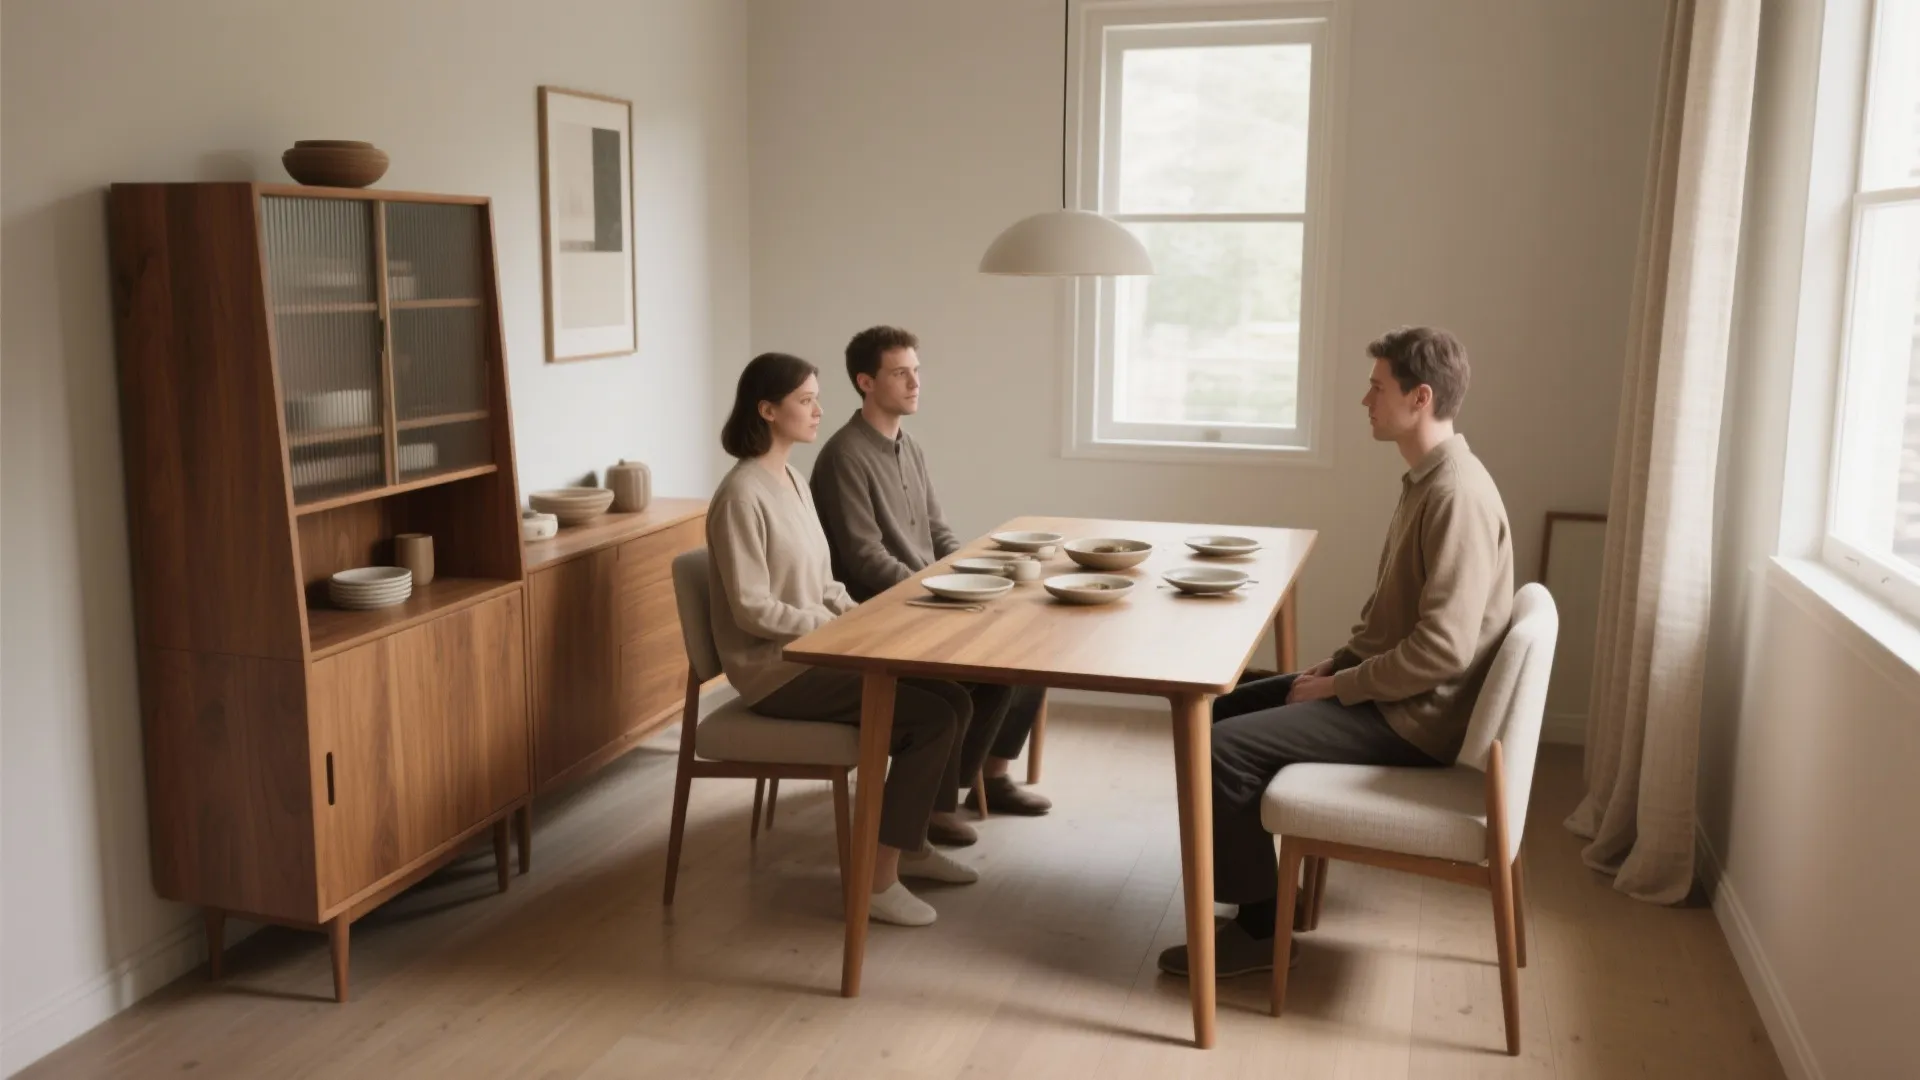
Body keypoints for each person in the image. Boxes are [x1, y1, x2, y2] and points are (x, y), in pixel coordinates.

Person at [1159, 327, 1515, 977]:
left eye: (1377, 387)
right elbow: (1396, 622)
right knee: (1213, 709)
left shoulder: (1454, 494)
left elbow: (1443, 650)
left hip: (1413, 718)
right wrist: (1340, 663)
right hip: (1395, 694)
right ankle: (1264, 902)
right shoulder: (1428, 480)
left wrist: (1339, 688)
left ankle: (1264, 937)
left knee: (1218, 748)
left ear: (1420, 398)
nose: (1364, 400)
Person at [706, 351, 979, 927]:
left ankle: (911, 848)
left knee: (952, 697)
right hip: (777, 672)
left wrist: (857, 620)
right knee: (929, 719)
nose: (817, 410)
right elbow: (751, 608)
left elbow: (825, 583)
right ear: (767, 409)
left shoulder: (793, 481)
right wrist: (833, 630)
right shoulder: (740, 495)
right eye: (805, 400)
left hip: (821, 651)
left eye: (815, 397)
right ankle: (877, 883)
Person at [809, 326, 1053, 843]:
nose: (915, 383)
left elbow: (937, 530)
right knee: (993, 665)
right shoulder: (844, 457)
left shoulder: (909, 446)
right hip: (883, 611)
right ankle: (935, 807)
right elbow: (862, 558)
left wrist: (979, 574)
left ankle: (991, 777)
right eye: (901, 373)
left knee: (1029, 657)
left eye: (916, 371)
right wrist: (938, 591)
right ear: (865, 381)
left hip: (928, 595)